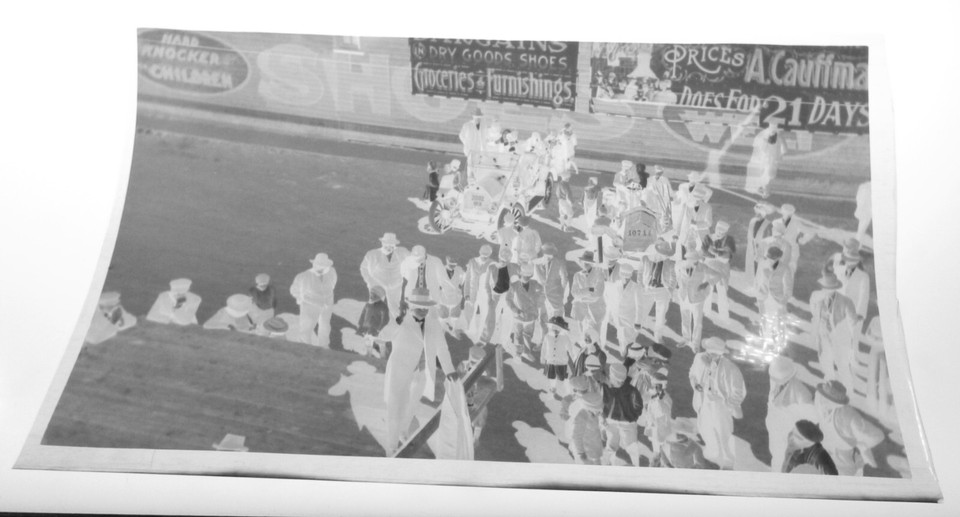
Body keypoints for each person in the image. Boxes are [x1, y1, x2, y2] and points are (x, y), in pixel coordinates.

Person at [380, 287, 457, 454]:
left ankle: (403, 431)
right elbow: (383, 336)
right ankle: (391, 447)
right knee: (394, 407)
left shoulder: (434, 324)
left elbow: (442, 349)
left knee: (411, 404)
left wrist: (449, 370)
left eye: (425, 307)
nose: (423, 311)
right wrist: (395, 322)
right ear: (410, 306)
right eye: (418, 307)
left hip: (422, 372)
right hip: (399, 370)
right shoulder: (400, 321)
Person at [689, 336, 746, 470]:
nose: (709, 356)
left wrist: (729, 405)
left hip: (721, 405)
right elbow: (692, 374)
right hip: (703, 402)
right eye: (709, 353)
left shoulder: (731, 369)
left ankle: (728, 461)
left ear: (720, 354)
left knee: (723, 432)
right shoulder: (699, 358)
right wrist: (695, 384)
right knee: (705, 428)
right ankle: (712, 454)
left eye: (714, 354)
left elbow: (739, 391)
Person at [813, 380, 885, 476]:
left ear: (834, 402)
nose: (820, 400)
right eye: (821, 396)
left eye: (825, 399)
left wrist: (861, 445)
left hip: (843, 467)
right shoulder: (820, 406)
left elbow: (877, 436)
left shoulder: (846, 416)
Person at [809, 271, 861, 385]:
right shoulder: (816, 296)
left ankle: (847, 389)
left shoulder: (846, 301)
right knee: (826, 363)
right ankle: (830, 388)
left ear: (835, 288)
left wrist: (853, 344)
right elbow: (814, 313)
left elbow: (853, 323)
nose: (827, 290)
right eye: (825, 287)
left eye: (830, 288)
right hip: (823, 335)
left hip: (840, 338)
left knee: (842, 366)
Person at [766, 356, 815, 472]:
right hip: (775, 431)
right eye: (773, 378)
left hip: (789, 435)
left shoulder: (801, 393)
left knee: (785, 462)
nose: (774, 381)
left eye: (778, 379)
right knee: (776, 457)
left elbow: (812, 419)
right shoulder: (775, 382)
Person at [290, 252, 337, 347]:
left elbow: (332, 285)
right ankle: (305, 347)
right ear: (314, 264)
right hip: (310, 306)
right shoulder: (304, 276)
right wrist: (302, 299)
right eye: (319, 265)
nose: (321, 268)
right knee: (306, 328)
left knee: (325, 326)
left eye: (324, 266)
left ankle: (323, 346)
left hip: (327, 304)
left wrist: (327, 299)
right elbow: (294, 290)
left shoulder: (331, 272)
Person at [675, 250, 718, 351]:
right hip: (684, 297)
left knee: (697, 322)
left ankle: (695, 344)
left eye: (693, 260)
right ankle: (685, 338)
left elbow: (717, 275)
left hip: (697, 298)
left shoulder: (702, 267)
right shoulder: (679, 265)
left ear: (697, 260)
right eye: (689, 259)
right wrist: (680, 287)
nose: (691, 261)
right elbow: (678, 275)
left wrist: (706, 284)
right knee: (685, 319)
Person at [360, 232, 410, 318]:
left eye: (392, 245)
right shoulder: (372, 254)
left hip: (395, 284)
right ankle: (371, 327)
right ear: (382, 243)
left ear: (395, 245)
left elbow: (413, 261)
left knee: (395, 307)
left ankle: (399, 323)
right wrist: (369, 280)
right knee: (375, 306)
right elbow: (363, 268)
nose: (389, 247)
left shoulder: (402, 253)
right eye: (387, 244)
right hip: (378, 284)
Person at [826, 238, 871, 325]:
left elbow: (864, 296)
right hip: (837, 309)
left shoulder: (863, 277)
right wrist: (829, 307)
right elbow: (832, 290)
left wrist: (859, 314)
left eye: (852, 261)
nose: (848, 263)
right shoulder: (838, 270)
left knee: (848, 335)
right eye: (847, 260)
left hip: (853, 313)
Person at [755, 246, 794, 346]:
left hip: (777, 298)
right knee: (763, 318)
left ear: (778, 258)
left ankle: (780, 342)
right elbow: (758, 278)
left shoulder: (785, 268)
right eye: (768, 257)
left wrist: (784, 299)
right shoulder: (762, 264)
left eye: (772, 258)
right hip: (763, 296)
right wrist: (758, 292)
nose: (770, 260)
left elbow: (788, 286)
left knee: (779, 321)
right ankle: (765, 339)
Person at [640, 239, 678, 343]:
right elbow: (640, 273)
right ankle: (639, 326)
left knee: (661, 316)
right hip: (648, 289)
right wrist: (642, 286)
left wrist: (669, 289)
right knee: (643, 310)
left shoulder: (670, 263)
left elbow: (673, 278)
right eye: (662, 253)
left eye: (666, 254)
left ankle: (658, 335)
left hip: (662, 290)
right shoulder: (646, 259)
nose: (664, 256)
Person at [505, 262, 544, 361]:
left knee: (528, 334)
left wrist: (537, 303)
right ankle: (518, 353)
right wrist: (515, 310)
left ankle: (526, 352)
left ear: (531, 275)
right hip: (518, 316)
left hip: (531, 315)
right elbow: (508, 299)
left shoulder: (535, 284)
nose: (526, 277)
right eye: (524, 275)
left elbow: (542, 292)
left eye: (528, 275)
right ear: (520, 274)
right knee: (518, 335)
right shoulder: (514, 285)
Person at [566, 375, 604, 465]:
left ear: (575, 390)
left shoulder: (577, 405)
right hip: (592, 444)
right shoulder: (594, 398)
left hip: (586, 445)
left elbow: (575, 433)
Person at [608, 262, 644, 355]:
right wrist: (610, 315)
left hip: (629, 320)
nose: (625, 278)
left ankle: (628, 356)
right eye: (623, 276)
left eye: (627, 277)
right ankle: (624, 353)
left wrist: (638, 322)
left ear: (630, 276)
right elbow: (612, 301)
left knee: (628, 340)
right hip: (617, 318)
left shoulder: (636, 287)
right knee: (620, 337)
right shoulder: (616, 284)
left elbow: (639, 306)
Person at [702, 221, 736, 320]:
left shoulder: (729, 240)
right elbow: (704, 252)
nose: (719, 234)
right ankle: (706, 313)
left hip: (722, 270)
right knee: (708, 291)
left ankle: (724, 315)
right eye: (718, 231)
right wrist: (719, 254)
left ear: (726, 232)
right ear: (715, 228)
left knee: (722, 292)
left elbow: (728, 256)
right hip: (709, 267)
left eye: (722, 233)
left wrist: (714, 252)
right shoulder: (708, 238)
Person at [534, 242, 569, 336]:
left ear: (553, 253)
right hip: (541, 297)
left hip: (556, 297)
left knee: (558, 323)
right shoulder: (537, 263)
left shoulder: (559, 263)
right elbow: (535, 280)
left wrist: (561, 294)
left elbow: (564, 280)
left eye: (550, 253)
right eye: (546, 253)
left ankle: (558, 344)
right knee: (542, 320)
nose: (548, 255)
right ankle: (543, 342)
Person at [745, 122, 786, 198]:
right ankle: (764, 190)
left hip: (770, 161)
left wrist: (777, 157)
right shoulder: (765, 139)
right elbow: (762, 149)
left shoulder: (778, 138)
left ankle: (765, 190)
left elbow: (783, 150)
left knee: (768, 175)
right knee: (766, 175)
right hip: (766, 161)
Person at [570, 251, 606, 338]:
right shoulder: (577, 275)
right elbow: (574, 293)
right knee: (583, 336)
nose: (585, 264)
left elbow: (598, 293)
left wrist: (582, 295)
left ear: (592, 263)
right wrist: (589, 289)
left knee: (595, 336)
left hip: (595, 310)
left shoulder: (599, 274)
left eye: (588, 262)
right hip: (581, 310)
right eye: (584, 262)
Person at [400, 245, 445, 313]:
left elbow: (442, 278)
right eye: (415, 259)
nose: (417, 261)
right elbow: (404, 278)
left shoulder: (436, 262)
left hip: (431, 296)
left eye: (420, 258)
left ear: (425, 255)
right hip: (413, 296)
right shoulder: (407, 262)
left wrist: (441, 293)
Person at [641, 371, 673, 467]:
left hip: (660, 425)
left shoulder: (665, 397)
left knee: (659, 441)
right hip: (654, 424)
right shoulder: (652, 394)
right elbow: (646, 401)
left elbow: (665, 410)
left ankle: (659, 458)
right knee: (656, 442)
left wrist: (659, 400)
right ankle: (659, 458)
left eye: (659, 386)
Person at [462, 244, 494, 332]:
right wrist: (466, 294)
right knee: (469, 312)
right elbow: (467, 279)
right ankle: (470, 328)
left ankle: (482, 331)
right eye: (483, 253)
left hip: (485, 294)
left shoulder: (492, 263)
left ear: (490, 254)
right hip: (472, 293)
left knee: (485, 313)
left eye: (487, 254)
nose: (484, 256)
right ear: (479, 252)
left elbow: (493, 282)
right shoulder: (472, 261)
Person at [778, 203, 816, 275]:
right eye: (785, 213)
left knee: (790, 268)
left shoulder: (796, 223)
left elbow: (810, 232)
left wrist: (802, 240)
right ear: (782, 212)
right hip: (779, 248)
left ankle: (789, 283)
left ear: (792, 214)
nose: (786, 216)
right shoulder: (776, 222)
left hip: (792, 248)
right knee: (778, 267)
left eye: (788, 214)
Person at [746, 202, 778, 279]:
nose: (757, 215)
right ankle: (752, 282)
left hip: (762, 249)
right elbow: (750, 234)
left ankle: (759, 284)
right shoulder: (752, 221)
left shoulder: (768, 224)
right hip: (752, 246)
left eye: (759, 213)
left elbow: (770, 239)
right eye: (756, 213)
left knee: (760, 266)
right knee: (751, 265)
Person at [541, 316, 572, 394]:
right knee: (552, 377)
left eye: (558, 329)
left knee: (563, 377)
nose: (556, 331)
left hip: (561, 361)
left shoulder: (565, 337)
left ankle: (566, 389)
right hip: (550, 361)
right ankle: (553, 387)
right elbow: (544, 348)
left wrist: (573, 357)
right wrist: (542, 358)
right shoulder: (547, 336)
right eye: (554, 328)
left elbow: (570, 349)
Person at [357, 285, 390, 357]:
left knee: (381, 342)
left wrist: (380, 329)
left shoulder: (383, 306)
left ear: (378, 296)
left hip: (377, 329)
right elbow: (363, 315)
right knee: (368, 341)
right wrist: (361, 325)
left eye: (374, 295)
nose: (371, 296)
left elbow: (385, 319)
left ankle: (383, 356)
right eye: (371, 294)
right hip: (367, 327)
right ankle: (368, 355)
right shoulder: (368, 304)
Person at [437, 256, 465, 334]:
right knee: (443, 315)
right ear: (446, 261)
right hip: (443, 296)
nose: (452, 266)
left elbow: (461, 281)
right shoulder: (440, 270)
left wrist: (458, 290)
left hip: (455, 297)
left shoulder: (459, 270)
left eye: (454, 265)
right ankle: (442, 330)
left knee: (455, 316)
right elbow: (437, 282)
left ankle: (454, 329)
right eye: (450, 265)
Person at [556, 167, 575, 232]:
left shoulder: (559, 183)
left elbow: (557, 192)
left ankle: (561, 226)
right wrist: (571, 202)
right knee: (570, 214)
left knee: (562, 214)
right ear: (566, 178)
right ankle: (568, 227)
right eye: (568, 178)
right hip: (565, 201)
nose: (569, 179)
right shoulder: (565, 185)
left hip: (560, 201)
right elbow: (568, 194)